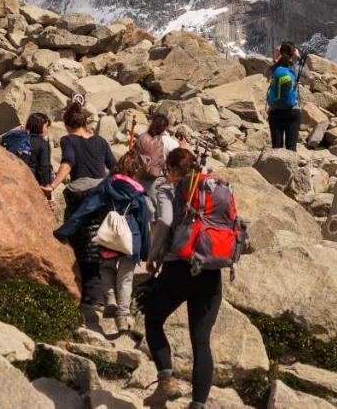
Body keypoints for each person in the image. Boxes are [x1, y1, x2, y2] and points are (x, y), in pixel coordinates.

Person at [142, 148, 222, 409]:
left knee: (153, 320)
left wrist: (154, 255)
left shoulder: (168, 188)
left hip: (179, 267)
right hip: (210, 270)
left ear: (172, 169)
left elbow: (164, 222)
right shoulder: (211, 186)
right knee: (201, 342)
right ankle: (197, 405)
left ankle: (166, 380)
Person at [54, 150, 150, 334]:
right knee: (125, 278)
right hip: (131, 239)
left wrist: (65, 231)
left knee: (106, 268)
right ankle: (122, 317)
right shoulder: (138, 193)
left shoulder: (108, 184)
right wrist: (145, 250)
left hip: (108, 236)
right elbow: (143, 223)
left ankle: (110, 297)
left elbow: (87, 208)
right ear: (136, 171)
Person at [44, 95, 116, 199]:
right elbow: (114, 166)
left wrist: (53, 185)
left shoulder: (68, 140)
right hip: (102, 191)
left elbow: (68, 164)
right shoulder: (101, 141)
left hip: (81, 192)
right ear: (85, 123)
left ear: (67, 126)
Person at [265, 42, 302, 151]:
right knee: (291, 148)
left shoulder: (274, 68)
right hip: (293, 110)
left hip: (275, 112)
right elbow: (308, 75)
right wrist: (298, 58)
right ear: (292, 53)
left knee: (277, 148)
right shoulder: (294, 68)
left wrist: (275, 58)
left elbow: (265, 73)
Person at [24, 112, 54, 194]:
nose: (47, 130)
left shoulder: (20, 139)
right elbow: (44, 167)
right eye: (46, 126)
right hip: (32, 182)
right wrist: (47, 186)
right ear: (39, 126)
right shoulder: (43, 143)